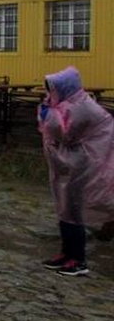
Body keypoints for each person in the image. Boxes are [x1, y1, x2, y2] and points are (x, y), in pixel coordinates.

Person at [38, 66, 114, 276]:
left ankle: (78, 260)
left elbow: (64, 134)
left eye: (51, 89)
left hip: (83, 166)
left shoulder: (82, 108)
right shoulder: (66, 104)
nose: (49, 93)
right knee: (64, 209)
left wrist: (47, 114)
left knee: (74, 211)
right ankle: (66, 253)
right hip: (68, 166)